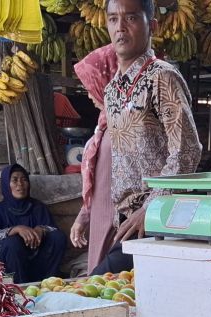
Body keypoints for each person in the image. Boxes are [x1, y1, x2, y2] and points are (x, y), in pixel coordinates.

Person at [92, 0, 201, 274]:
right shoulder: (112, 90)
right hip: (126, 220)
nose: (120, 28)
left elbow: (186, 150)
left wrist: (151, 208)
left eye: (131, 18)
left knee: (93, 289)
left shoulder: (162, 77)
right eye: (113, 19)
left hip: (158, 220)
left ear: (151, 25)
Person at [69, 44, 119, 275]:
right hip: (101, 220)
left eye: (91, 86)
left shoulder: (126, 125)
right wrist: (84, 216)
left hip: (119, 225)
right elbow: (100, 181)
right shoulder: (104, 123)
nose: (89, 94)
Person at [0, 164, 68, 283]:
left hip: (38, 261)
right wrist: (16, 229)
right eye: (14, 180)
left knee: (58, 237)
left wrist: (41, 229)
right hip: (12, 265)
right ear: (6, 184)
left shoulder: (38, 207)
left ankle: (49, 282)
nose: (20, 184)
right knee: (12, 243)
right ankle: (20, 286)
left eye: (24, 179)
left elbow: (53, 230)